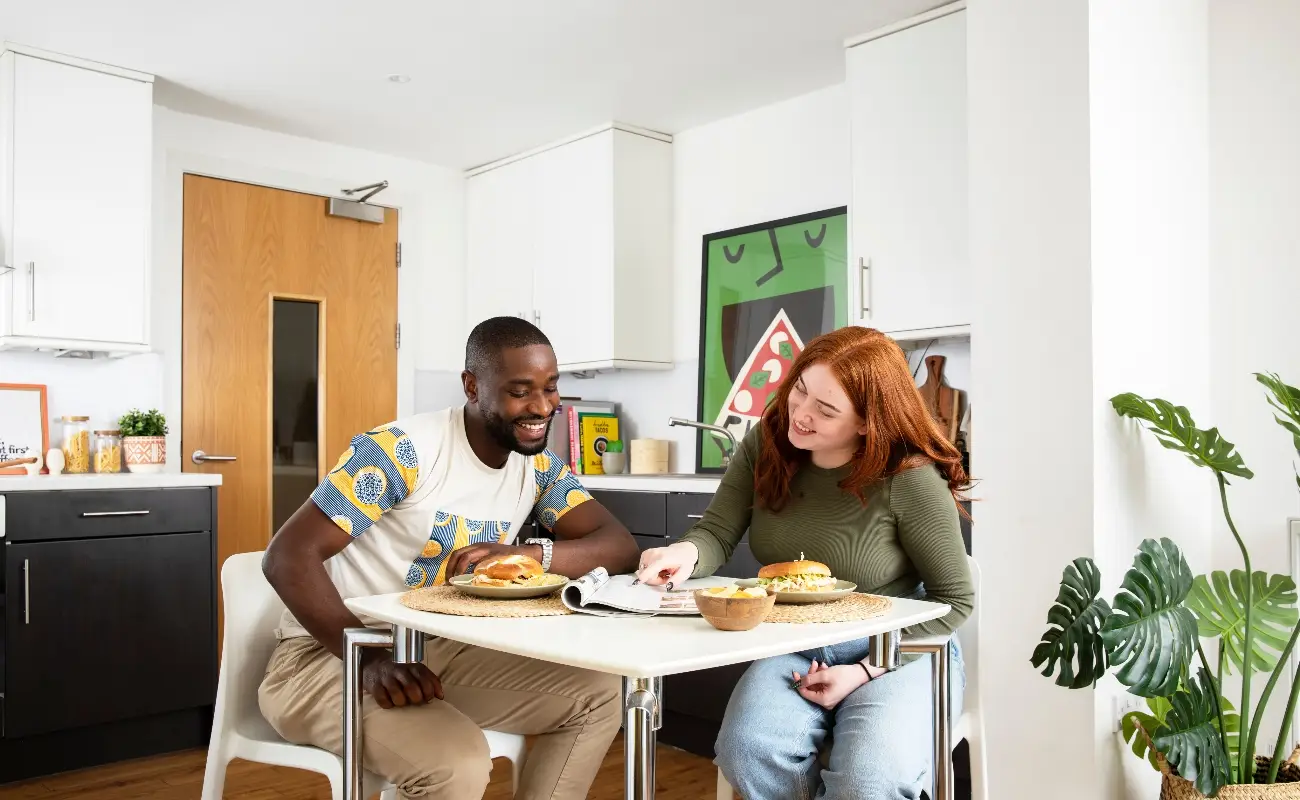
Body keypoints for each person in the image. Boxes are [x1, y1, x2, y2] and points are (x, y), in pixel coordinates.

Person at [259, 316, 641, 800]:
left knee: (600, 695)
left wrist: (527, 554)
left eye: (550, 388)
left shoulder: (538, 466)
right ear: (472, 386)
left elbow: (619, 545)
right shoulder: (400, 452)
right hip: (329, 659)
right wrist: (371, 661)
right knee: (456, 763)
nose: (542, 407)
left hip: (434, 651)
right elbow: (287, 557)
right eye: (520, 391)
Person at [637, 326, 974, 800]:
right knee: (746, 749)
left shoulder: (909, 478)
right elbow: (716, 531)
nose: (801, 414)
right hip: (795, 639)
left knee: (867, 779)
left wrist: (864, 669)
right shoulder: (767, 443)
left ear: (866, 423)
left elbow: (955, 602)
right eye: (800, 390)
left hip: (902, 650)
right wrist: (683, 554)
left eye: (827, 409)